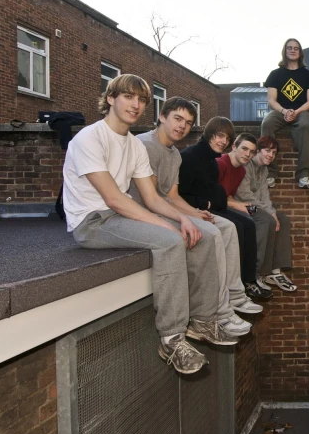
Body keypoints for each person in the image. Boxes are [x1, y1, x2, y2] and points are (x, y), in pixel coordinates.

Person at [62, 74, 235, 375]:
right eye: (128, 97)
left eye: (141, 99)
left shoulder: (133, 145)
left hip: (119, 217)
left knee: (202, 236)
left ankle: (204, 320)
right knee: (169, 241)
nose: (136, 104)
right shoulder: (89, 138)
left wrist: (183, 218)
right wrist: (166, 227)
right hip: (92, 221)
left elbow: (152, 198)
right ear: (111, 98)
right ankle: (171, 337)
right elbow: (114, 199)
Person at [128, 96, 262, 337]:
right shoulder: (145, 145)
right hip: (146, 213)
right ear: (161, 116)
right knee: (211, 234)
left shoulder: (175, 154)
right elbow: (153, 199)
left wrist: (195, 212)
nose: (182, 126)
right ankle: (217, 314)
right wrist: (186, 217)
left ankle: (234, 296)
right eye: (178, 119)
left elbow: (174, 196)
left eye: (188, 122)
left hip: (169, 207)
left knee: (228, 227)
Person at [178, 118, 274, 302]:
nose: (247, 154)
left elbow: (255, 195)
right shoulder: (221, 163)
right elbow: (227, 196)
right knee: (258, 220)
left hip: (239, 204)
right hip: (231, 205)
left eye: (251, 151)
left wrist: (271, 212)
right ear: (235, 147)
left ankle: (260, 273)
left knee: (269, 219)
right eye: (244, 149)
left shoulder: (246, 171)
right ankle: (249, 276)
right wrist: (239, 205)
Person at [233, 135, 296, 292]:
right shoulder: (246, 166)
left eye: (274, 152)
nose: (271, 155)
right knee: (266, 219)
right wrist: (268, 213)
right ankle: (257, 271)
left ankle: (274, 271)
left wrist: (272, 212)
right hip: (240, 205)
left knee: (283, 219)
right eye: (267, 151)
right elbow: (245, 195)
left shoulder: (264, 169)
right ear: (258, 151)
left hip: (255, 206)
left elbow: (264, 195)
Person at [261, 38, 309, 189]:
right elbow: (271, 101)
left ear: (300, 53)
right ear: (285, 51)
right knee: (266, 123)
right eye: (289, 48)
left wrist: (296, 111)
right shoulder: (275, 74)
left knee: (306, 126)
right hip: (280, 111)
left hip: (302, 111)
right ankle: (270, 173)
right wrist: (284, 111)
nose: (293, 50)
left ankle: (303, 174)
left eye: (296, 48)